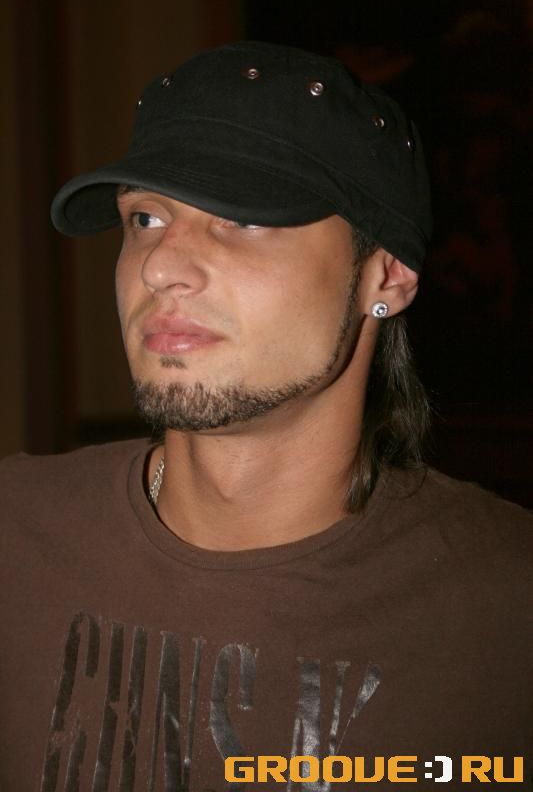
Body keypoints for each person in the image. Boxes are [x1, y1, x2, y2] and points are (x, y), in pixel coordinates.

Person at [1, 41, 531, 792]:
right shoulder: (14, 537)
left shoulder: (506, 611)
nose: (159, 265)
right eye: (145, 217)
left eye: (242, 218)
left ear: (386, 275)